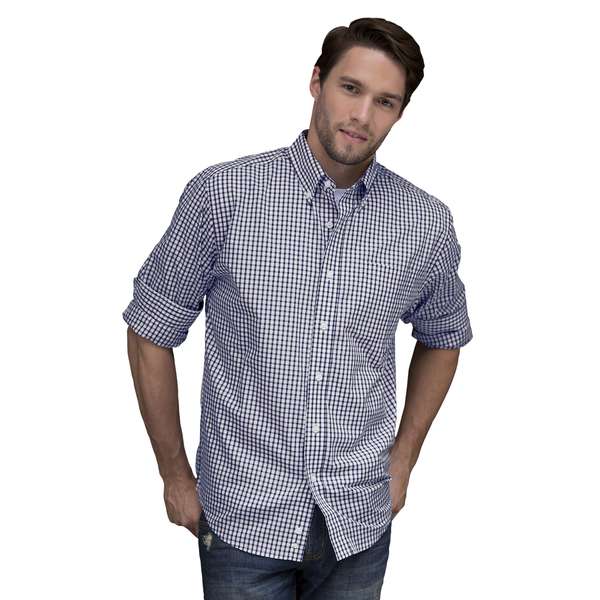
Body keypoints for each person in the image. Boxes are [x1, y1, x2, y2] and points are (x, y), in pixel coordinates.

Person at [122, 16, 473, 600]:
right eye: (350, 88)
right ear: (316, 81)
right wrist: (175, 476)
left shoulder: (425, 222)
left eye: (385, 101)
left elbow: (444, 335)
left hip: (358, 523)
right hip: (242, 519)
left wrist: (405, 457)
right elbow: (150, 330)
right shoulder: (224, 194)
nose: (362, 115)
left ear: (401, 112)